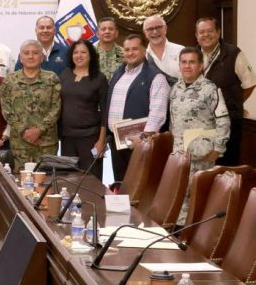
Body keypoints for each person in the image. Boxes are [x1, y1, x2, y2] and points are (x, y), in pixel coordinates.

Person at [169, 47, 230, 224]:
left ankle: (195, 239)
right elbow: (173, 122)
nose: (187, 66)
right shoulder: (176, 89)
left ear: (201, 66)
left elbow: (223, 120)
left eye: (192, 62)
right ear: (179, 65)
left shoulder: (210, 89)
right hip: (180, 154)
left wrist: (218, 148)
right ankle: (179, 234)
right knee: (179, 195)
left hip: (201, 155)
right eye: (184, 62)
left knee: (198, 198)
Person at [106, 34, 170, 181]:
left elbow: (158, 113)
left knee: (140, 187)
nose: (130, 53)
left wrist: (142, 138)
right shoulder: (118, 73)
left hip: (140, 144)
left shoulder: (155, 77)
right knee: (121, 185)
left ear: (144, 50)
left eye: (135, 49)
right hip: (118, 142)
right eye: (127, 50)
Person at [195, 17, 256, 166]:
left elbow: (250, 83)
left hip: (228, 121)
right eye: (202, 32)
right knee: (203, 164)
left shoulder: (233, 53)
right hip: (200, 121)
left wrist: (233, 103)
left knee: (226, 165)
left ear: (218, 32)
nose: (206, 35)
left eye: (210, 31)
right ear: (196, 35)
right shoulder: (192, 55)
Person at [2, 40, 61, 170]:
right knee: (21, 183)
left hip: (46, 144)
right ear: (20, 57)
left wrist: (39, 129)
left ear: (42, 57)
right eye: (26, 53)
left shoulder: (52, 78)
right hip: (20, 144)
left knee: (46, 183)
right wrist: (24, 130)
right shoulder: (10, 80)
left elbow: (55, 108)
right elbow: (7, 110)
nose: (30, 56)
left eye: (35, 53)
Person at [58, 39, 108, 180]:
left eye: (83, 52)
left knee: (91, 180)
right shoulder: (64, 75)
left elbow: (105, 112)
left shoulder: (99, 78)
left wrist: (101, 141)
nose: (79, 55)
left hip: (90, 138)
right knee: (68, 180)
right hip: (67, 138)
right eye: (76, 52)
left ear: (91, 55)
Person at [143, 14, 183, 85]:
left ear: (165, 29)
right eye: (150, 29)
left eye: (158, 27)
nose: (155, 32)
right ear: (145, 32)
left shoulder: (181, 51)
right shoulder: (142, 57)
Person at [95, 17, 124, 81]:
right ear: (97, 34)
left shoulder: (125, 54)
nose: (107, 31)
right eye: (103, 29)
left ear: (116, 33)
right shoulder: (89, 53)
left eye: (111, 29)